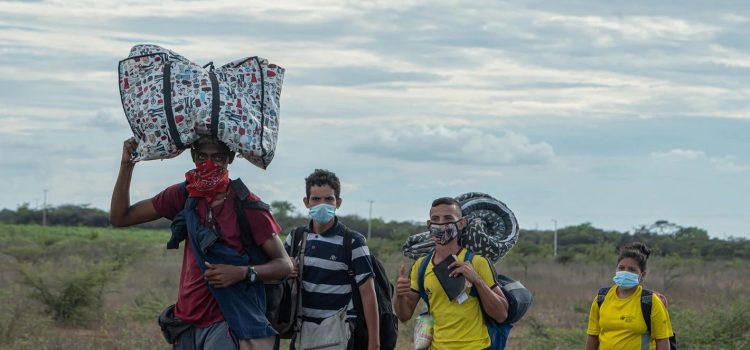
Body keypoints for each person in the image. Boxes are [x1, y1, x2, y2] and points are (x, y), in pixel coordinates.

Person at [110, 136, 292, 350]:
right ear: (194, 156)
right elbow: (120, 217)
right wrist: (126, 165)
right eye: (202, 156)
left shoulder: (248, 206)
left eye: (218, 157)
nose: (209, 163)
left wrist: (243, 272)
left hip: (228, 319)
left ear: (230, 158)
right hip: (186, 319)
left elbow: (284, 265)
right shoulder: (184, 195)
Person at [394, 197, 509, 350]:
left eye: (448, 218)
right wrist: (400, 295)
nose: (441, 224)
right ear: (429, 225)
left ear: (461, 223)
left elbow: (501, 314)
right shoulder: (421, 266)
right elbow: (404, 316)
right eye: (435, 219)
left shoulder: (477, 262)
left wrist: (477, 280)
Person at [284, 169, 380, 350]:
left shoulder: (353, 242)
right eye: (316, 199)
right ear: (306, 202)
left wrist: (374, 343)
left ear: (338, 203)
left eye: (329, 199)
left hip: (337, 332)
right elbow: (279, 275)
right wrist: (287, 269)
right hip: (302, 330)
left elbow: (368, 293)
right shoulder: (295, 238)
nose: (322, 204)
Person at [586, 242, 675, 350]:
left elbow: (662, 340)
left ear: (642, 275)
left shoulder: (650, 301)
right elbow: (593, 336)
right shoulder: (601, 298)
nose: (625, 272)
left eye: (632, 269)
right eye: (621, 268)